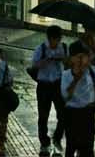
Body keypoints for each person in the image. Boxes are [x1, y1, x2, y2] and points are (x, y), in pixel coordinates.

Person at [31, 25, 68, 156]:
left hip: (58, 84)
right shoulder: (41, 48)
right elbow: (34, 65)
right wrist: (45, 61)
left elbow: (68, 64)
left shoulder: (63, 47)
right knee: (43, 115)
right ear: (49, 38)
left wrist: (63, 60)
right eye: (55, 39)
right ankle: (44, 143)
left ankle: (57, 138)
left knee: (63, 114)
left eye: (58, 39)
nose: (56, 42)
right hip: (44, 85)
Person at [61, 47, 95, 157]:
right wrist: (76, 80)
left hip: (88, 113)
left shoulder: (92, 71)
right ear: (72, 59)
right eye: (78, 57)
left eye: (84, 57)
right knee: (71, 145)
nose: (81, 60)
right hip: (72, 114)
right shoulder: (66, 74)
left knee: (88, 147)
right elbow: (66, 96)